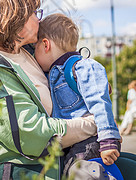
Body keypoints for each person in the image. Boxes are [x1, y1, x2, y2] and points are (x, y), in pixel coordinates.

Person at [0, 0, 98, 180]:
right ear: (14, 18)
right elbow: (32, 135)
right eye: (35, 13)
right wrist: (95, 125)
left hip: (48, 168)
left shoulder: (28, 52)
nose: (39, 18)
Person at [34, 13, 121, 170]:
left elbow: (100, 103)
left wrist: (108, 140)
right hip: (72, 142)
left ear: (46, 45)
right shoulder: (52, 74)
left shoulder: (82, 67)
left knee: (79, 173)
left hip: (91, 141)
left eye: (35, 47)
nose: (33, 54)